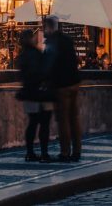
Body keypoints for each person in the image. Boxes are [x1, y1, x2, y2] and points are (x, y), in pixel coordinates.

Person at [43, 16, 82, 162]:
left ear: (49, 27)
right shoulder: (67, 39)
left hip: (62, 85)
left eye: (45, 27)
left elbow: (49, 64)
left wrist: (46, 78)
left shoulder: (52, 42)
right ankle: (77, 151)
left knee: (63, 119)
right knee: (74, 118)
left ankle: (65, 152)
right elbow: (74, 59)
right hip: (74, 82)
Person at [17, 29, 52, 162]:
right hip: (41, 92)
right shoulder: (36, 53)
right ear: (30, 38)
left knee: (32, 123)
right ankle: (44, 153)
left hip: (29, 92)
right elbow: (42, 70)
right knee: (44, 123)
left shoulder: (22, 55)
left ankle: (30, 152)